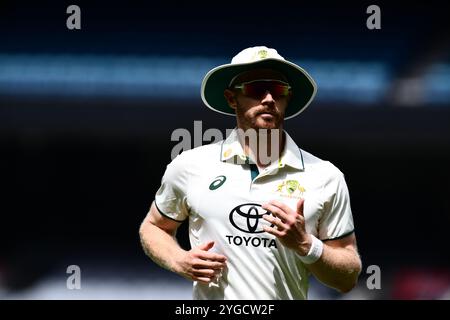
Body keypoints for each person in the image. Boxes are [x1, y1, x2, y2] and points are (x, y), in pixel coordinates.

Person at [139, 46, 362, 299]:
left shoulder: (326, 176)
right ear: (232, 98)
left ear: (287, 99)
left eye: (278, 91)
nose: (268, 99)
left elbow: (347, 278)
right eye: (256, 89)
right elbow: (154, 227)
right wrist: (179, 260)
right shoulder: (190, 165)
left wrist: (305, 245)